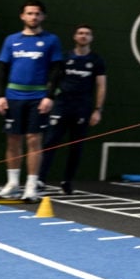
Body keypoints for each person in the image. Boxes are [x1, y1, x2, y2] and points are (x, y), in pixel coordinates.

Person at [0, 0, 63, 201]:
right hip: (13, 96)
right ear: (22, 16)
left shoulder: (51, 40)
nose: (33, 17)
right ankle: (13, 183)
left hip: (38, 97)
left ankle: (31, 185)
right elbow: (2, 69)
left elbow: (57, 70)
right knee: (13, 139)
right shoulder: (11, 40)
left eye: (37, 14)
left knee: (34, 139)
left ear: (43, 17)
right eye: (29, 13)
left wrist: (50, 97)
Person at [38, 24, 107, 195]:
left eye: (87, 34)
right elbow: (53, 81)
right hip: (61, 105)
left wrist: (97, 109)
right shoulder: (64, 57)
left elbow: (101, 86)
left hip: (82, 108)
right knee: (49, 143)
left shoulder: (96, 60)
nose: (83, 36)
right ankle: (40, 179)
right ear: (75, 37)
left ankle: (67, 181)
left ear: (91, 38)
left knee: (76, 147)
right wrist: (49, 98)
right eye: (80, 33)